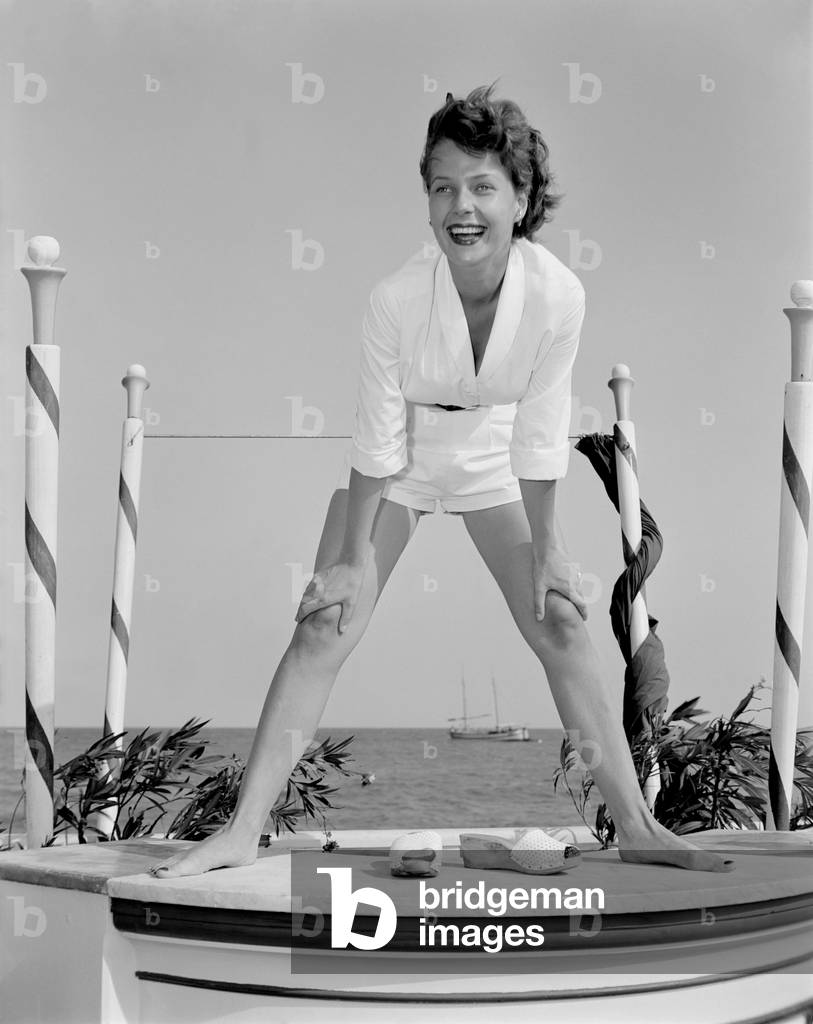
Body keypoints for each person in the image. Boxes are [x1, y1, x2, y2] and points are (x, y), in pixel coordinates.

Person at [149, 83, 732, 878]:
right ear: (426, 202)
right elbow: (377, 437)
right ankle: (241, 829)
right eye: (442, 187)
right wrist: (352, 556)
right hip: (406, 456)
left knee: (560, 618)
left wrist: (552, 554)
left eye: (483, 186)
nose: (462, 206)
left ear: (521, 198)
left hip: (495, 454)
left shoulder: (559, 295)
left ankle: (634, 824)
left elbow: (538, 434)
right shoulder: (392, 301)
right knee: (326, 618)